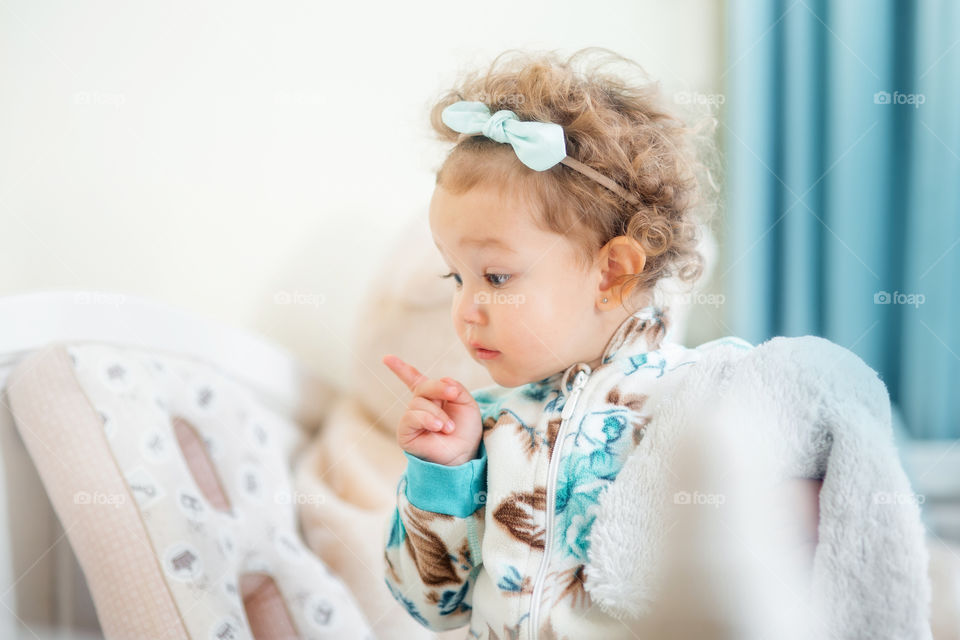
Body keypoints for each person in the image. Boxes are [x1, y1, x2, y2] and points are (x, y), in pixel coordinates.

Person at [379, 47, 816, 639]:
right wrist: (442, 474)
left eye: (496, 277)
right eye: (455, 277)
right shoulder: (489, 428)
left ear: (613, 273)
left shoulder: (712, 397)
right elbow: (432, 607)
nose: (466, 309)